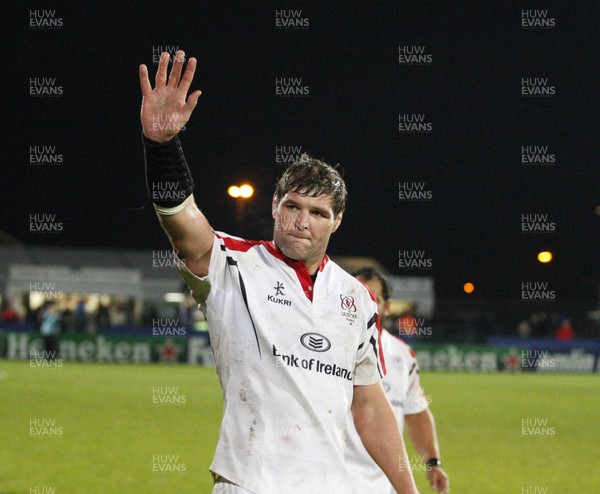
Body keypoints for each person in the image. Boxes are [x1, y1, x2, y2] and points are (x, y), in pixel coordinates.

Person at [139, 51, 419, 493]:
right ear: (274, 206)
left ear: (337, 220)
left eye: (317, 212)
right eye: (291, 206)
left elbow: (368, 404)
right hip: (248, 483)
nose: (301, 221)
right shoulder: (233, 263)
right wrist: (162, 147)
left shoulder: (357, 298)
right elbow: (182, 222)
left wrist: (408, 489)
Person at [346, 268, 449, 493]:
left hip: (384, 485)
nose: (366, 303)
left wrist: (433, 463)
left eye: (374, 298)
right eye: (358, 295)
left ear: (387, 306)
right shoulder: (329, 347)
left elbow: (415, 412)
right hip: (334, 481)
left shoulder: (403, 355)